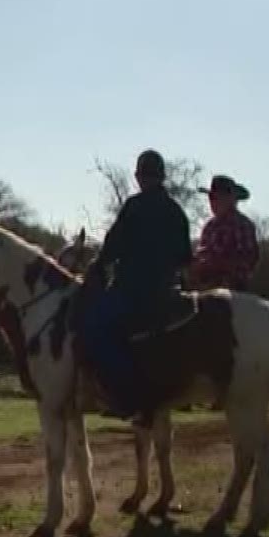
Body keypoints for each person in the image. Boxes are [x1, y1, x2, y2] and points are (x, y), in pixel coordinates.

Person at [80, 149, 192, 420]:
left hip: (131, 290)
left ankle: (123, 393)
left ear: (139, 177)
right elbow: (185, 257)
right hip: (166, 291)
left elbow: (113, 244)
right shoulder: (176, 211)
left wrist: (97, 266)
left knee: (93, 326)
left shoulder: (134, 206)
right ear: (162, 176)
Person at [186, 173, 259, 292]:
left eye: (216, 198)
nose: (212, 202)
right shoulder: (209, 226)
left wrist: (216, 264)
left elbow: (248, 261)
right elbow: (201, 254)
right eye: (211, 198)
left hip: (234, 291)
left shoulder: (242, 225)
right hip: (207, 288)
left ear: (231, 199)